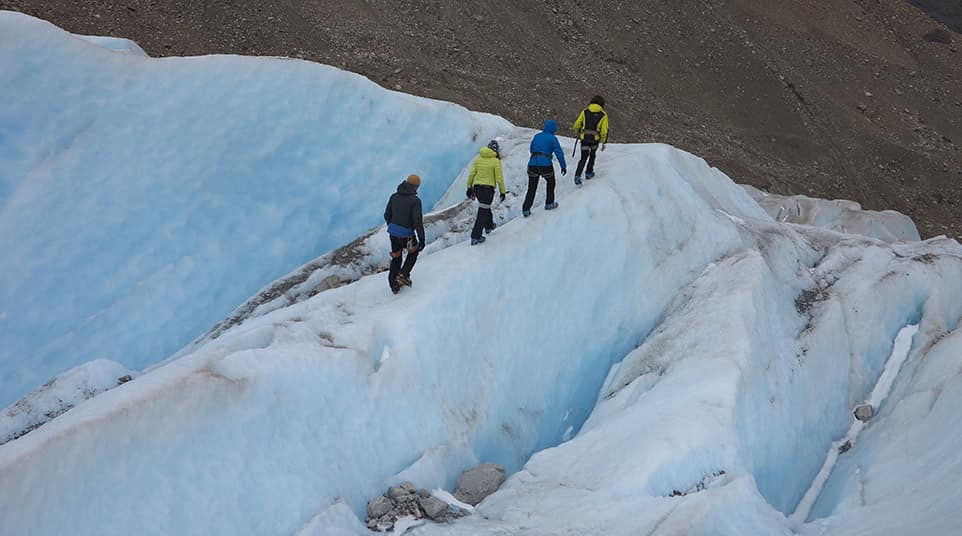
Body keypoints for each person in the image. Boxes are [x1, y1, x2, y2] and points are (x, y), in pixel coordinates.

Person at [384, 174, 426, 294]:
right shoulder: (415, 201)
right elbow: (418, 222)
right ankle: (402, 275)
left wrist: (392, 227)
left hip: (393, 233)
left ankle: (393, 284)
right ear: (416, 187)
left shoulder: (394, 197)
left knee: (396, 256)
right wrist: (422, 240)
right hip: (406, 235)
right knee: (413, 252)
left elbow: (387, 215)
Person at [522, 119, 567, 217]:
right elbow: (559, 153)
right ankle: (549, 203)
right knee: (551, 182)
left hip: (532, 164)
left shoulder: (537, 136)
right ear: (553, 128)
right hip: (545, 164)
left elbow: (531, 149)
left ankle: (526, 209)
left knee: (532, 188)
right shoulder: (552, 138)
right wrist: (563, 166)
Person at [466, 140, 507, 245]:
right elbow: (499, 179)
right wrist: (503, 192)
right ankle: (476, 236)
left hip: (477, 188)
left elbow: (471, 174)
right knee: (483, 211)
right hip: (488, 189)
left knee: (485, 207)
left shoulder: (478, 159)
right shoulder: (495, 161)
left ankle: (489, 226)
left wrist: (469, 188)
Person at [572, 95, 609, 185]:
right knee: (592, 155)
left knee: (583, 157)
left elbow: (577, 124)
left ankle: (577, 175)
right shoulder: (603, 115)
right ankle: (589, 173)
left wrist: (577, 131)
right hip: (594, 139)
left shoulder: (585, 111)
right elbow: (604, 130)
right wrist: (603, 141)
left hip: (584, 137)